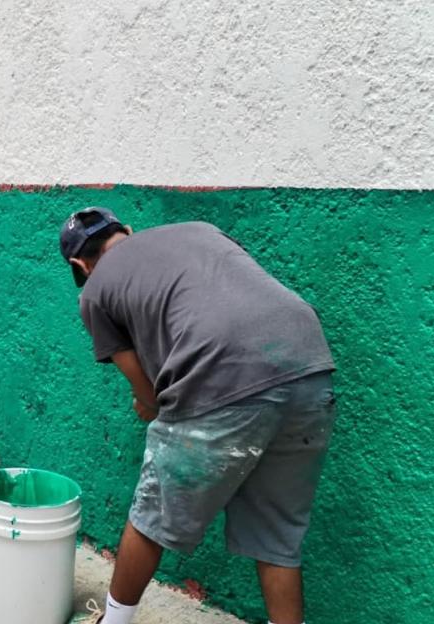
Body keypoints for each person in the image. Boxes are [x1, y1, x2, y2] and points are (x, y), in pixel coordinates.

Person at [60, 207, 336, 624]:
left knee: (151, 515)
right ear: (128, 232)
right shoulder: (200, 229)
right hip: (309, 367)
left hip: (218, 375)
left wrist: (148, 405)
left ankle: (113, 622)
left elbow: (146, 391)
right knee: (277, 534)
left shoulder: (94, 292)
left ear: (79, 265)